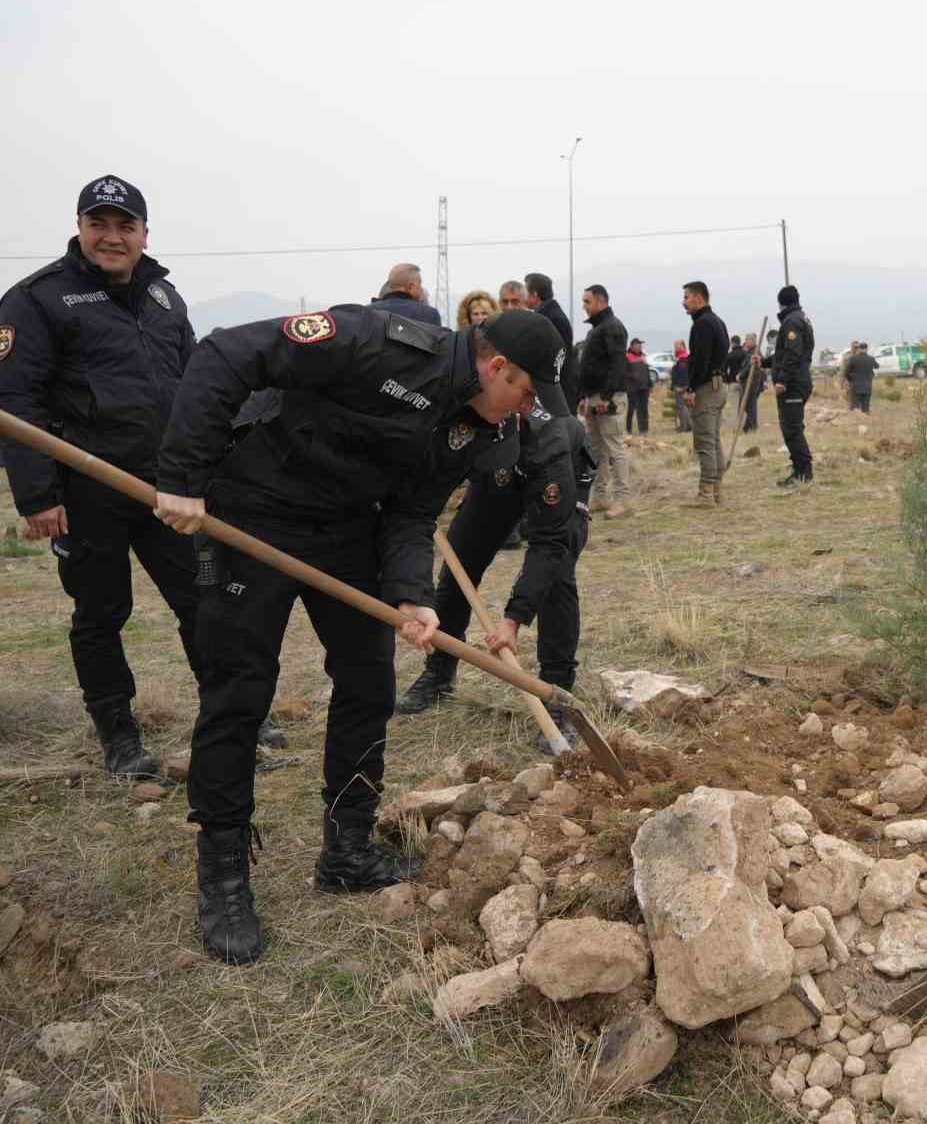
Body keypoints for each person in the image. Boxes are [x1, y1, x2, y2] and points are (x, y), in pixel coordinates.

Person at [152, 306, 561, 964]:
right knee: (240, 690)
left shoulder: (473, 429)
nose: (524, 411)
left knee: (370, 683)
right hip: (255, 513)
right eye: (527, 393)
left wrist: (411, 596)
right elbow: (228, 353)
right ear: (497, 366)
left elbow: (411, 510)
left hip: (346, 531)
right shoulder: (377, 344)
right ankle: (224, 873)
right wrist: (181, 476)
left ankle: (346, 848)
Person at [0, 176, 203, 776]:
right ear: (80, 226)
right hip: (87, 490)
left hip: (165, 485)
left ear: (144, 233)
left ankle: (235, 713)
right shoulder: (36, 300)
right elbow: (15, 401)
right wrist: (37, 495)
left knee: (202, 601)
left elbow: (194, 387)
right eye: (100, 223)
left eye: (125, 225)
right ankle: (118, 734)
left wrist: (202, 472)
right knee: (100, 613)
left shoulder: (165, 298)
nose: (112, 237)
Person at [397, 312, 595, 730]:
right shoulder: (476, 399)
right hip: (498, 478)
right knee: (458, 565)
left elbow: (549, 545)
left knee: (556, 580)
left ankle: (558, 691)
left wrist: (512, 619)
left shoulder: (552, 443)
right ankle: (439, 672)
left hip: (556, 480)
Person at [576, 284, 630, 519]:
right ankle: (599, 496)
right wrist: (584, 396)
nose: (584, 306)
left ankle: (622, 500)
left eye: (587, 301)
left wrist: (607, 398)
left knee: (615, 448)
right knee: (597, 449)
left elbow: (618, 365)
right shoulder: (596, 330)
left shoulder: (613, 328)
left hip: (609, 398)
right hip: (593, 396)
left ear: (601, 301)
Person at [682, 281, 730, 506]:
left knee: (705, 441)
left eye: (686, 297)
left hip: (706, 388)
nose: (684, 302)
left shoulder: (701, 324)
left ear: (699, 298)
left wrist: (691, 387)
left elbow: (699, 360)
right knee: (713, 440)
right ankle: (718, 490)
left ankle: (706, 493)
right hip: (719, 386)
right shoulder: (718, 321)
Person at [771, 285, 815, 487]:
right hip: (798, 380)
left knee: (792, 429)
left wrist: (782, 380)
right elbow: (784, 353)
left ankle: (803, 474)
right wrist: (763, 361)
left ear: (781, 303)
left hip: (794, 384)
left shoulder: (792, 322)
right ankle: (800, 469)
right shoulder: (800, 318)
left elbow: (793, 354)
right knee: (792, 427)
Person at [524, 273, 578, 415]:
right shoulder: (546, 315)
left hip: (558, 394)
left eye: (525, 291)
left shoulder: (552, 318)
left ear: (534, 295)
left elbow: (555, 358)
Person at [372, 263, 442, 326]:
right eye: (420, 284)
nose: (421, 289)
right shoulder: (428, 314)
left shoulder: (368, 312)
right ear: (410, 287)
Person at [624, 337, 652, 435]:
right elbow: (624, 372)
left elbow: (647, 371)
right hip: (632, 388)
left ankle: (644, 430)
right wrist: (632, 376)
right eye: (638, 344)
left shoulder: (643, 356)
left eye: (641, 344)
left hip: (644, 387)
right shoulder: (627, 356)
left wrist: (650, 383)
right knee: (631, 409)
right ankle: (628, 429)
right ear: (632, 346)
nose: (640, 346)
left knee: (644, 409)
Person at [843, 342, 879, 412]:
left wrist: (850, 380)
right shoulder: (871, 359)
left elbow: (846, 372)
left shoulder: (853, 359)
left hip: (855, 386)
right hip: (867, 386)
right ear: (867, 349)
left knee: (855, 408)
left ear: (859, 349)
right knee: (866, 408)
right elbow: (877, 366)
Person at [741, 333, 765, 432]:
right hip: (752, 382)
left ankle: (750, 426)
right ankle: (751, 425)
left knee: (751, 406)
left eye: (747, 340)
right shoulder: (751, 351)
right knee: (749, 405)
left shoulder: (755, 352)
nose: (745, 342)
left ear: (752, 341)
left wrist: (740, 375)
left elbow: (751, 367)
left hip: (752, 382)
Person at [670, 340, 691, 431]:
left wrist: (681, 386)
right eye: (675, 345)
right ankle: (685, 425)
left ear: (682, 346)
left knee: (682, 407)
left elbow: (684, 372)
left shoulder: (683, 358)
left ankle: (684, 426)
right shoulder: (679, 357)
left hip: (681, 386)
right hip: (679, 384)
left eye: (677, 345)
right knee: (683, 406)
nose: (675, 347)